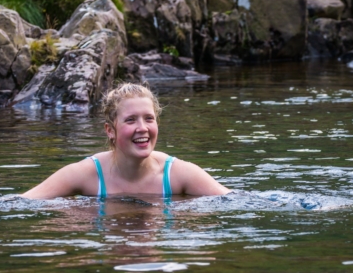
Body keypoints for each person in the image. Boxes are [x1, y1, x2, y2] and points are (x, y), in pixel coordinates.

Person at [18, 82, 229, 200]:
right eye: (130, 120)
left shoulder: (178, 174)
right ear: (110, 130)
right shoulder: (85, 174)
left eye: (149, 118)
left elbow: (237, 200)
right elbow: (21, 203)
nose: (142, 128)